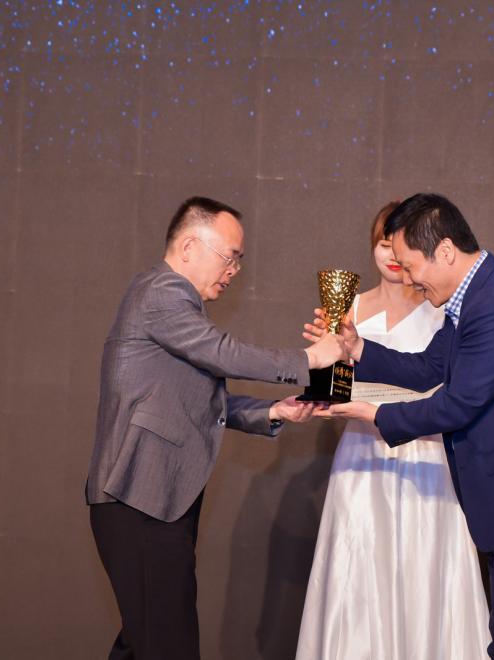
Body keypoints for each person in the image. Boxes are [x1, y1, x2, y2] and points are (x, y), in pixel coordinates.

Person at [309, 193, 494, 659]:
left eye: (410, 265)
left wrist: (374, 414)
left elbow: (459, 404)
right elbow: (429, 368)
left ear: (444, 251)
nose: (407, 278)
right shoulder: (475, 297)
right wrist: (356, 347)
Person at [85, 196, 347, 660]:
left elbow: (203, 401)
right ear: (189, 246)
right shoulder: (162, 293)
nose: (234, 271)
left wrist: (273, 412)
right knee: (167, 644)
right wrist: (310, 359)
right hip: (139, 496)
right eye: (230, 256)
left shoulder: (172, 305)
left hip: (154, 499)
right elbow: (222, 353)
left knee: (144, 642)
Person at [295, 202, 491, 659]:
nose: (392, 256)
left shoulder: (444, 307)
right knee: (360, 568)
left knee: (425, 569)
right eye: (383, 244)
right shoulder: (350, 306)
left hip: (426, 452)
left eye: (399, 247)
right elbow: (333, 383)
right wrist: (328, 369)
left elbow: (433, 378)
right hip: (363, 455)